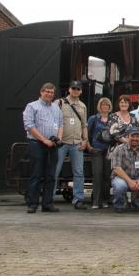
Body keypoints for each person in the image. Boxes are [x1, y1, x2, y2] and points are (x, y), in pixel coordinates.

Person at [23, 82, 63, 213]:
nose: (49, 94)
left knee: (51, 176)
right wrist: (44, 140)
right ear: (41, 92)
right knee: (35, 174)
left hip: (52, 146)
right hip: (37, 144)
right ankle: (32, 204)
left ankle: (47, 204)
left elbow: (61, 124)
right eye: (47, 91)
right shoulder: (32, 106)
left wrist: (59, 138)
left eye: (51, 92)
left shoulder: (56, 108)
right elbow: (29, 126)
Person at [53, 80, 88, 209]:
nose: (75, 90)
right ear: (69, 89)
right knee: (55, 171)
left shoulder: (83, 106)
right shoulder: (59, 103)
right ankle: (49, 199)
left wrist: (85, 140)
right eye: (73, 88)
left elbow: (84, 125)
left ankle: (78, 200)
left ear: (81, 91)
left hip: (76, 142)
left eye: (78, 89)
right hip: (61, 142)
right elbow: (53, 121)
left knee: (79, 172)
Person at [87, 97, 113, 209]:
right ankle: (96, 202)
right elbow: (87, 133)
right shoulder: (93, 118)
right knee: (97, 174)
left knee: (107, 176)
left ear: (109, 107)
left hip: (109, 151)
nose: (105, 107)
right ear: (99, 106)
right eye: (103, 104)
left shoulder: (113, 119)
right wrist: (89, 147)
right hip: (96, 150)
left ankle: (105, 200)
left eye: (107, 105)